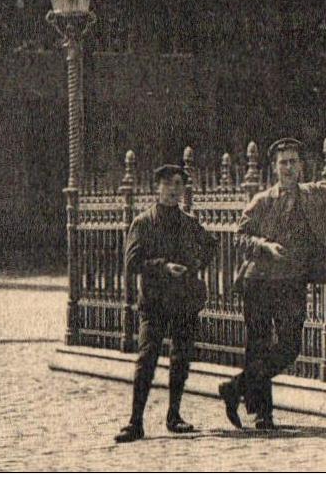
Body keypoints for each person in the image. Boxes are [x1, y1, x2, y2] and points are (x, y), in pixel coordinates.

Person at [220, 138, 326, 430]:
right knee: (258, 347)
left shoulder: (311, 194)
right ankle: (263, 415)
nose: (289, 167)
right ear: (274, 168)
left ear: (301, 166)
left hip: (291, 282)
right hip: (257, 282)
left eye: (294, 161)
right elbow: (239, 236)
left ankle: (235, 388)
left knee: (289, 347)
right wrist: (264, 246)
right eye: (283, 162)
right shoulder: (262, 200)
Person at [115, 164, 217, 443]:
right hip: (155, 302)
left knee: (181, 358)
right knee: (147, 358)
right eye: (168, 184)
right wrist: (164, 267)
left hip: (184, 299)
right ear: (156, 188)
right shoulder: (144, 222)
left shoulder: (188, 221)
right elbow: (132, 263)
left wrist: (195, 265)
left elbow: (211, 244)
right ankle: (135, 422)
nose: (174, 189)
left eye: (179, 184)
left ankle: (174, 415)